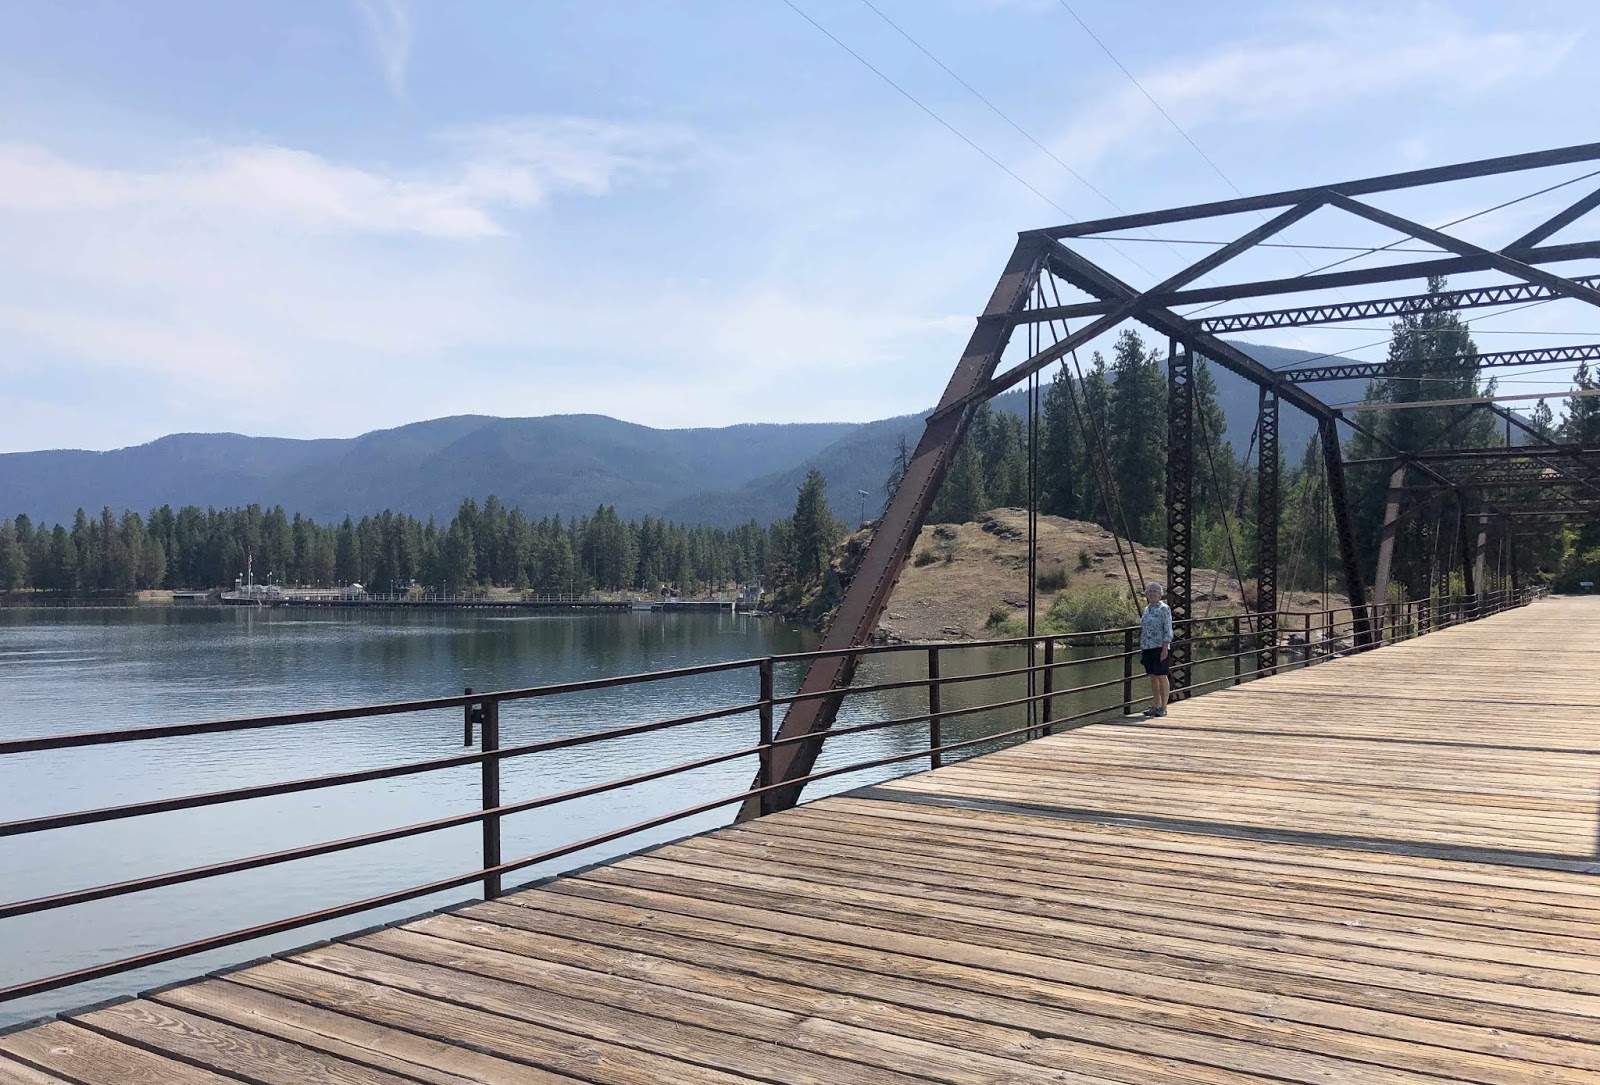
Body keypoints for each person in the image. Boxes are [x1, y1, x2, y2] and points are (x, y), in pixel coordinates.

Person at [1138, 581, 1173, 717]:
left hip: (1160, 646)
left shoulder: (1164, 609)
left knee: (1161, 676)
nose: (1152, 594)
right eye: (1150, 591)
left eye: (1155, 591)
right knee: (1153, 676)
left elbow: (1168, 629)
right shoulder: (1147, 609)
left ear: (1160, 594)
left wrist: (1165, 647)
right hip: (1148, 647)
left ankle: (1163, 707)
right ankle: (1156, 705)